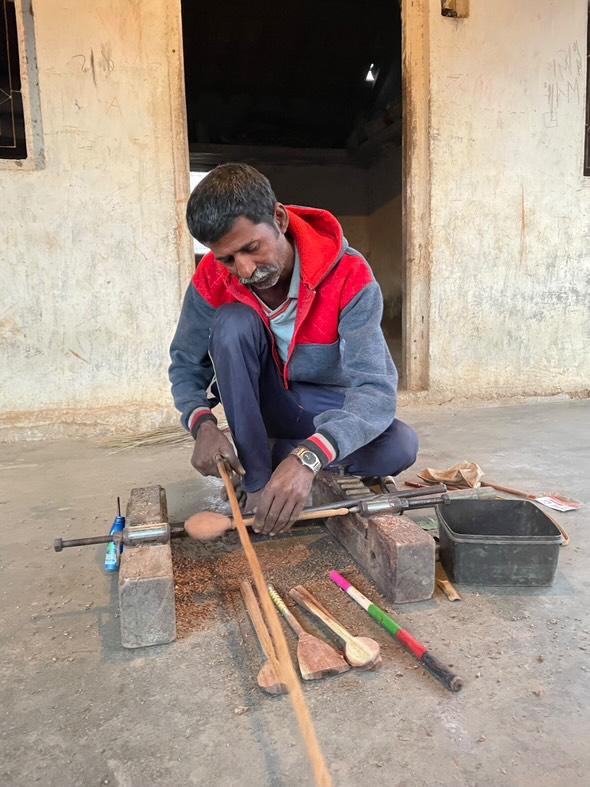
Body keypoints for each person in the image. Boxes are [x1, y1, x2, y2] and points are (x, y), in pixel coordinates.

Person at [169, 163, 418, 536]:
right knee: (233, 323)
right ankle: (256, 477)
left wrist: (309, 456)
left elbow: (375, 390)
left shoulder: (349, 275)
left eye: (251, 248)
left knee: (399, 446)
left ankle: (276, 453)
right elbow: (186, 364)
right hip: (258, 406)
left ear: (280, 219)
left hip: (319, 406)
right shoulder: (211, 278)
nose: (244, 270)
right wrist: (201, 422)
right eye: (227, 259)